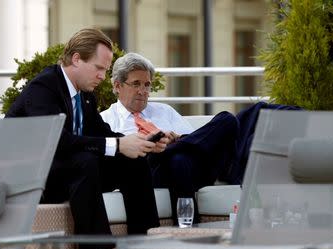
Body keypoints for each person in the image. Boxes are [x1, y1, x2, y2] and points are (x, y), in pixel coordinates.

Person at [6, 29, 167, 249]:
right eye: (99, 68)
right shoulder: (44, 86)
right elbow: (56, 141)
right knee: (86, 161)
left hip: (69, 172)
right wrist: (116, 144)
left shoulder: (85, 95)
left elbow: (102, 135)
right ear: (77, 59)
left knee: (134, 162)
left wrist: (141, 143)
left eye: (105, 70)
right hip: (31, 176)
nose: (103, 77)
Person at [100, 52, 239, 225]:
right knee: (177, 159)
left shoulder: (164, 110)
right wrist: (151, 145)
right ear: (117, 85)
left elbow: (194, 142)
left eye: (147, 85)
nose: (143, 91)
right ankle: (189, 229)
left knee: (227, 119)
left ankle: (170, 148)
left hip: (193, 170)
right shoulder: (106, 120)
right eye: (136, 84)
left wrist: (178, 139)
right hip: (149, 172)